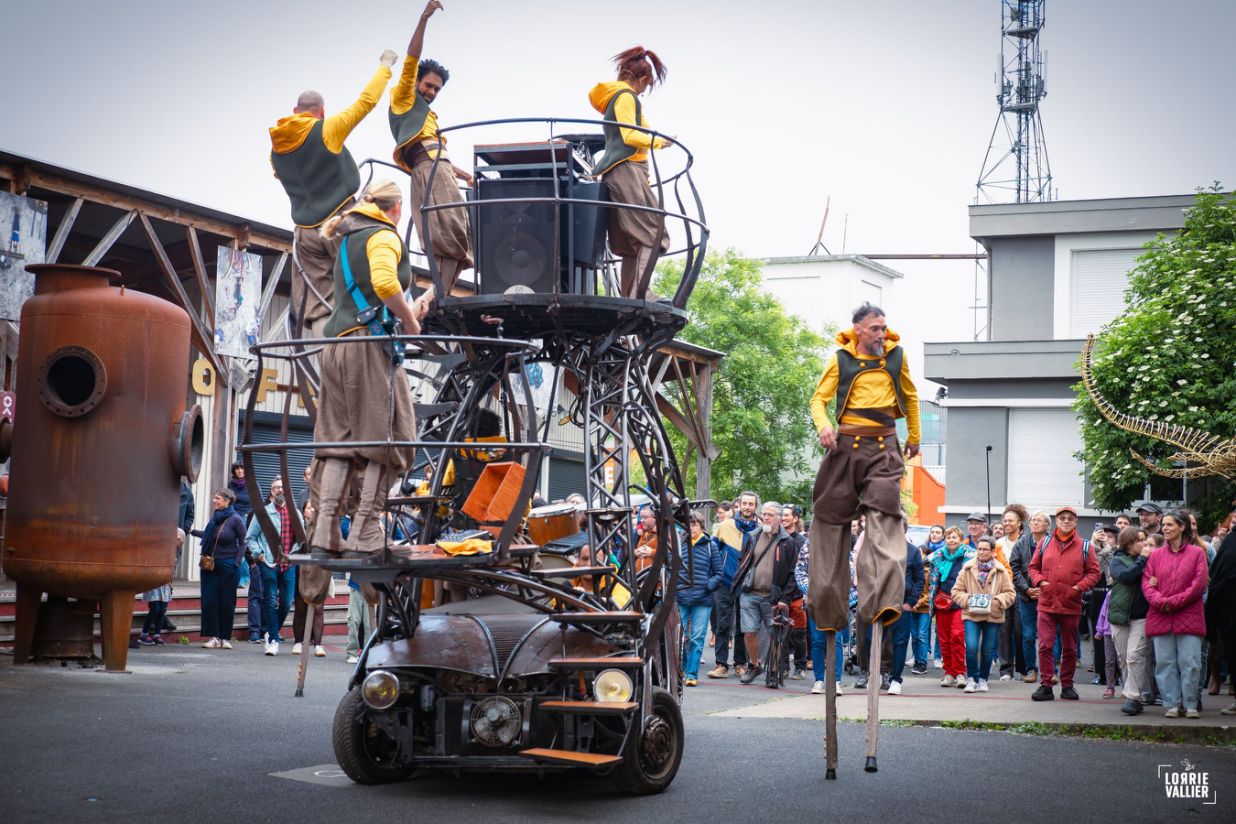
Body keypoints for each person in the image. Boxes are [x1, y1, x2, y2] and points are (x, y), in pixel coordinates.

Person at [309, 181, 432, 556]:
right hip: (366, 348)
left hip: (336, 347)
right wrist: (411, 321)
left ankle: (326, 532)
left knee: (338, 442)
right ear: (396, 209)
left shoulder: (349, 238)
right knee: (395, 436)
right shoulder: (384, 235)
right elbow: (382, 280)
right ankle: (365, 531)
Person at [807, 303, 920, 677]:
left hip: (884, 447)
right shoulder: (840, 360)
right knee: (828, 518)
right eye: (874, 328)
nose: (881, 334)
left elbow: (912, 395)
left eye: (884, 328)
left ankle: (883, 600)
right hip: (845, 448)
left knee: (885, 517)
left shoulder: (896, 356)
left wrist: (915, 437)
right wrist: (824, 425)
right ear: (857, 329)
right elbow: (818, 400)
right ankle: (828, 607)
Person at [269, 48, 397, 336]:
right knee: (361, 288)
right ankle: (363, 352)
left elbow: (281, 175)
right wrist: (385, 66)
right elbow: (366, 102)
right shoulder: (327, 129)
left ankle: (327, 356)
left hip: (304, 233)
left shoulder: (276, 148)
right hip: (340, 222)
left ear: (294, 113)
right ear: (322, 112)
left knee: (317, 301)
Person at [390, 1, 474, 296]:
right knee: (447, 235)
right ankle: (431, 300)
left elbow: (438, 152)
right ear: (415, 82)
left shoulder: (428, 116)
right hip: (431, 171)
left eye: (437, 89)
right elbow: (412, 58)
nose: (431, 92)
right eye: (428, 85)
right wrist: (424, 18)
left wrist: (464, 176)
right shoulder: (403, 98)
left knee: (463, 236)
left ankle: (436, 298)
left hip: (443, 170)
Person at [588, 46, 672, 298]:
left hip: (623, 171)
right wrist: (659, 141)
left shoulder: (617, 97)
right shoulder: (626, 97)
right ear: (644, 79)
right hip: (627, 170)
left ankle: (631, 295)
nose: (645, 90)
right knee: (653, 232)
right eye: (647, 85)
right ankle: (640, 294)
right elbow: (628, 134)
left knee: (632, 243)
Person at [1027, 505, 1100, 701]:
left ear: (1075, 522)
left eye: (1070, 518)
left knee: (1069, 648)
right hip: (1047, 603)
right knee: (1045, 645)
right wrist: (1041, 582)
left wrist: (1077, 588)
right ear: (1057, 521)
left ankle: (1067, 685)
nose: (1066, 521)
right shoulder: (1044, 542)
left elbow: (1095, 573)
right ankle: (1046, 685)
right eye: (1062, 518)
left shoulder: (1086, 546)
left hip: (1071, 604)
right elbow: (1033, 568)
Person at [1143, 510, 1209, 718]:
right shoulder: (1155, 555)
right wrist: (1161, 601)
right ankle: (1172, 703)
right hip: (1161, 615)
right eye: (1164, 525)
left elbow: (1199, 584)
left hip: (1189, 615)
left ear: (1182, 527)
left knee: (1190, 662)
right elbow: (1146, 582)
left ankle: (1190, 704)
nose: (1165, 528)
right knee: (1165, 662)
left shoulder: (1197, 553)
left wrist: (1173, 602)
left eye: (1170, 525)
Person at [735, 502, 799, 684]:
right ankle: (755, 665)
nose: (766, 518)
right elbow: (743, 561)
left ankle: (772, 671)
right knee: (749, 631)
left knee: (775, 636)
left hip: (774, 598)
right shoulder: (753, 536)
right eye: (764, 514)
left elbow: (793, 573)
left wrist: (785, 598)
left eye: (770, 515)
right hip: (749, 593)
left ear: (778, 518)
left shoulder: (788, 542)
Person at [951, 536, 1017, 693]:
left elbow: (1010, 593)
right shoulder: (967, 568)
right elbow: (955, 591)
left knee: (987, 650)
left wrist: (996, 602)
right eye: (979, 548)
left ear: (993, 552)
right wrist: (969, 600)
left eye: (985, 549)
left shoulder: (1001, 571)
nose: (981, 552)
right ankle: (972, 678)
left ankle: (983, 679)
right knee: (972, 647)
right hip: (971, 613)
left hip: (992, 615)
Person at [245, 478, 297, 656]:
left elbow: (301, 539)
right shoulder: (263, 513)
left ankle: (270, 630)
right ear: (271, 492)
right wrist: (258, 553)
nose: (280, 490)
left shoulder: (294, 512)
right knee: (270, 601)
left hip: (288, 564)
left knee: (287, 602)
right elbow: (249, 538)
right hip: (268, 562)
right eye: (276, 488)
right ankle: (273, 639)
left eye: (283, 487)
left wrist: (295, 554)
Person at [193, 489, 247, 649]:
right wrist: (192, 531)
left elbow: (244, 542)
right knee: (210, 601)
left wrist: (236, 563)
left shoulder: (236, 519)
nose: (214, 501)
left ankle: (225, 638)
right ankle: (214, 637)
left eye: (217, 498)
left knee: (226, 602)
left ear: (227, 501)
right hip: (210, 564)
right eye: (214, 497)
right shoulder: (216, 518)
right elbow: (210, 536)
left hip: (228, 565)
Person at [708, 496, 753, 678]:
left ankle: (740, 663)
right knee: (722, 625)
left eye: (751, 504)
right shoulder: (725, 526)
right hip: (725, 582)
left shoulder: (758, 530)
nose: (747, 507)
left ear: (754, 506)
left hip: (747, 584)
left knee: (743, 626)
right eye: (744, 503)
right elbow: (713, 550)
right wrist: (716, 575)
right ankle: (721, 664)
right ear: (738, 506)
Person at [678, 510, 723, 686]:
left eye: (695, 524)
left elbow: (719, 573)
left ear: (701, 526)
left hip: (702, 599)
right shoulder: (679, 543)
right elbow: (670, 568)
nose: (692, 527)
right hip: (681, 597)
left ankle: (691, 674)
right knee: (679, 637)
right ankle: (681, 667)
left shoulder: (710, 545)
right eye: (688, 524)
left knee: (697, 637)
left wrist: (708, 585)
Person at [928, 526, 973, 687]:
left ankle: (960, 672)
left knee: (957, 637)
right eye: (948, 538)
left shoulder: (969, 557)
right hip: (942, 602)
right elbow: (932, 581)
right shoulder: (938, 557)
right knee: (944, 639)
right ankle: (949, 673)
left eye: (954, 537)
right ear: (944, 540)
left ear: (960, 540)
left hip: (960, 603)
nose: (951, 540)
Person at [1010, 509, 1050, 684]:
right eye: (1033, 520)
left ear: (1047, 525)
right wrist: (1026, 589)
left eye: (1040, 520)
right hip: (1026, 597)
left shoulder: (1053, 543)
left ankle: (1051, 671)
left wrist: (1043, 588)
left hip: (1048, 596)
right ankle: (1031, 670)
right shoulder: (1021, 543)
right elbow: (1014, 568)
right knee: (1027, 635)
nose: (1035, 523)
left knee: (1048, 636)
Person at [886, 521, 926, 695]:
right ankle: (879, 674)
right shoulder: (881, 548)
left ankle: (896, 679)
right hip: (881, 603)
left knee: (900, 641)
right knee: (875, 640)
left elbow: (919, 579)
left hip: (903, 604)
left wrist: (910, 602)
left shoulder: (913, 551)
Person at [994, 504, 1028, 680]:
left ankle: (1023, 669)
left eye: (1010, 520)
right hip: (1002, 593)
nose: (1006, 523)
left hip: (1022, 592)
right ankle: (1006, 670)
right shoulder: (997, 544)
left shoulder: (1026, 543)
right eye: (1004, 520)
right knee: (1004, 631)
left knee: (1021, 631)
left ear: (1019, 523)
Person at [140, 529, 182, 646]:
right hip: (155, 581)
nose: (178, 541)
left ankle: (156, 635)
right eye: (177, 539)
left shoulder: (177, 549)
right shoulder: (159, 546)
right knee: (155, 609)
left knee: (162, 610)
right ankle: (144, 634)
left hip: (166, 583)